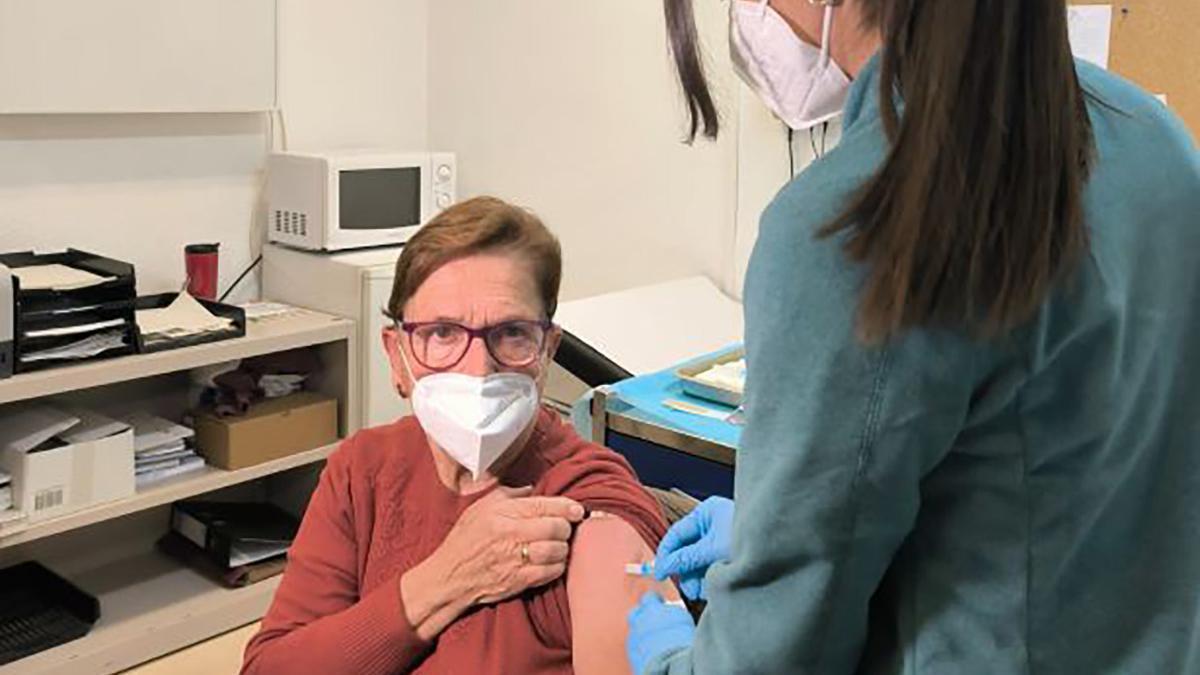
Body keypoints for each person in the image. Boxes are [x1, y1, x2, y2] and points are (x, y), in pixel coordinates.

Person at [627, 0, 1200, 673]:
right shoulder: (1155, 139)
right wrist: (777, 537)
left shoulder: (855, 223)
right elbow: (1049, 490)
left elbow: (776, 657)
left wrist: (674, 652)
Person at [242, 196, 678, 674]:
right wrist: (445, 580)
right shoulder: (364, 468)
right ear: (397, 355)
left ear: (547, 350)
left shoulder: (584, 495)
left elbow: (619, 566)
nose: (478, 368)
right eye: (442, 333)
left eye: (511, 333)